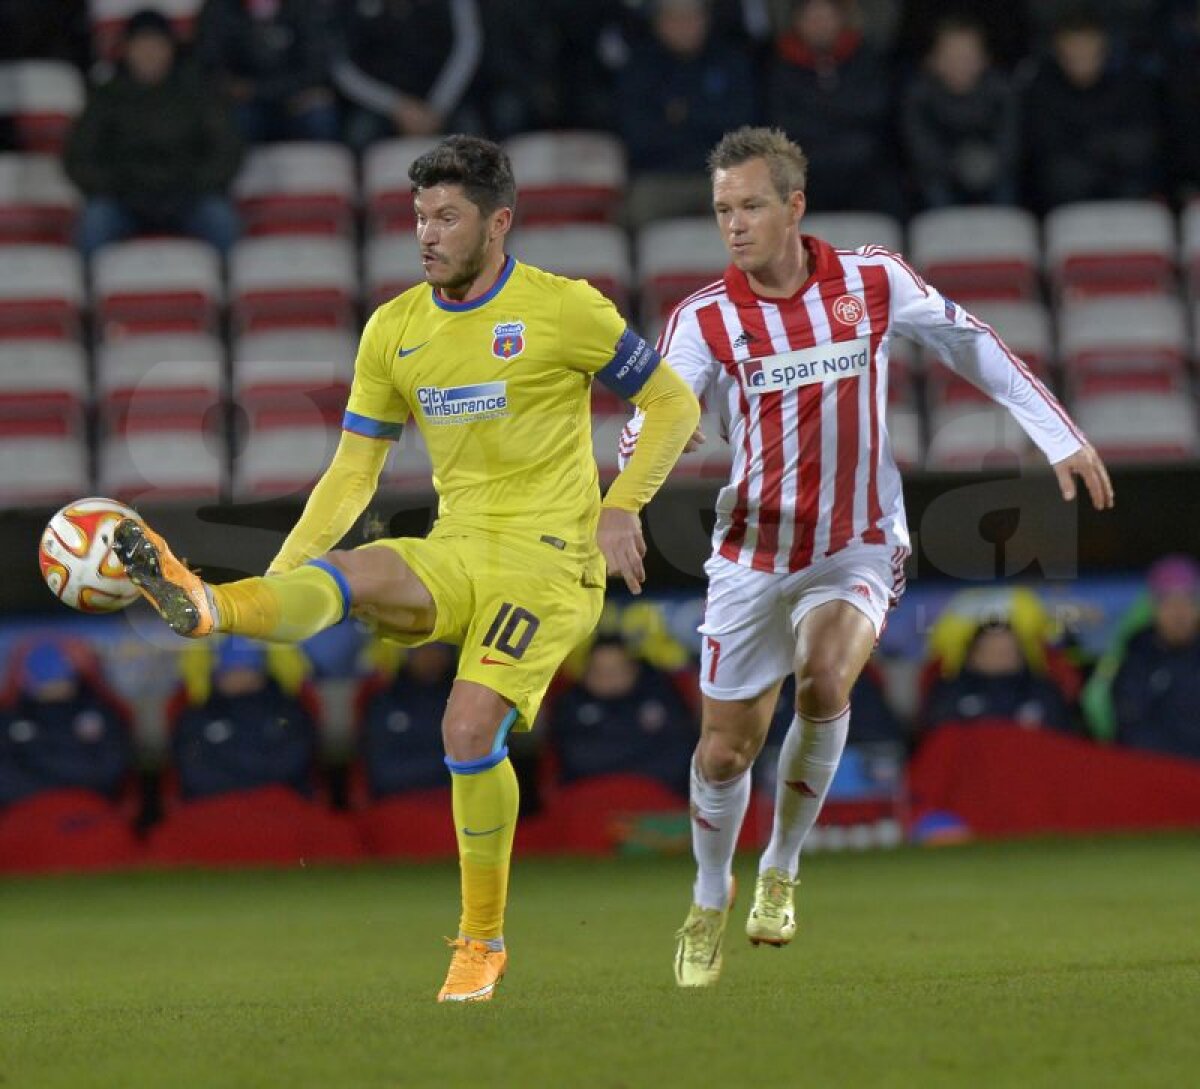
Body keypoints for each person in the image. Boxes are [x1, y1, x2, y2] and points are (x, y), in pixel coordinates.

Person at [112, 135, 700, 1003]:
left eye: (447, 216)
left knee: (466, 729)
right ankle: (212, 606)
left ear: (498, 223)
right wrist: (282, 576)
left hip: (550, 563)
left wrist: (622, 506)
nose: (426, 233)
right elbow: (353, 474)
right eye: (419, 216)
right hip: (459, 545)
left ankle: (481, 942)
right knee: (355, 570)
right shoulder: (394, 329)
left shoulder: (565, 309)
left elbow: (672, 400)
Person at [618, 125, 1113, 987]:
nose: (733, 224)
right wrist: (624, 500)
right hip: (752, 555)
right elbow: (655, 415)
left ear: (794, 206)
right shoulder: (705, 317)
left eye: (751, 206)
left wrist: (1057, 434)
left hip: (858, 541)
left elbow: (972, 342)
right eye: (722, 210)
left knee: (825, 683)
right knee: (724, 753)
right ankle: (709, 893)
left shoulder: (872, 278)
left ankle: (780, 867)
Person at [63, 8, 242, 259]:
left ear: (170, 49)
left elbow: (227, 150)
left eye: (156, 45)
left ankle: (227, 288)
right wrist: (118, 188)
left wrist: (192, 185)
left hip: (188, 196)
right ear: (126, 49)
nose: (149, 54)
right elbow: (79, 157)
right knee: (95, 221)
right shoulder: (105, 97)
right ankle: (88, 291)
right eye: (141, 45)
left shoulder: (198, 92)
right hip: (123, 199)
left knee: (219, 217)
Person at [616, 0, 757, 226]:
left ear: (706, 20)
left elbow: (741, 126)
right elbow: (639, 136)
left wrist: (684, 115)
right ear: (659, 23)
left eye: (692, 18)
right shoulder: (639, 68)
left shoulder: (729, 61)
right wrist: (706, 121)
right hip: (660, 177)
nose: (684, 26)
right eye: (675, 19)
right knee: (636, 210)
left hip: (719, 176)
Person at [766, 0, 902, 216]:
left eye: (827, 18)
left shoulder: (866, 58)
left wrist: (819, 109)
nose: (820, 25)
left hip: (863, 167)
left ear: (841, 20)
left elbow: (875, 110)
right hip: (809, 170)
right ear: (797, 23)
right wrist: (840, 111)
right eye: (813, 19)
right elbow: (786, 124)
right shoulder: (781, 67)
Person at [1023, 11, 1163, 211]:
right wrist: (1105, 149)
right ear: (1059, 52)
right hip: (1066, 196)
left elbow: (1142, 144)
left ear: (1103, 49)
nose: (1081, 56)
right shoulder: (1042, 88)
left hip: (1125, 190)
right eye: (1073, 51)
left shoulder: (1130, 83)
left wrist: (1090, 147)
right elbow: (1046, 151)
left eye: (1088, 50)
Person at [169, 636, 323, 802]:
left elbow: (295, 765)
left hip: (278, 808)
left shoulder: (288, 713)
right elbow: (195, 773)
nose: (240, 676)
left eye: (248, 669)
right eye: (231, 670)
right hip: (216, 811)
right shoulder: (196, 718)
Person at [549, 633, 698, 797]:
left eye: (615, 671)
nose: (607, 679)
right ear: (585, 673)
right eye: (599, 672)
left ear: (633, 669)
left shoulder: (660, 695)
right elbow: (575, 759)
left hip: (656, 797)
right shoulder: (570, 703)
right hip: (590, 800)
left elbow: (679, 755)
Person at [1084, 554, 1200, 760]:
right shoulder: (1136, 659)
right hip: (1156, 776)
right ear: (1154, 609)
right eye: (1169, 603)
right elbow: (1130, 730)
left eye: (1188, 602)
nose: (1179, 613)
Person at [332, 0, 483, 151]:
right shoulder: (352, 6)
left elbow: (467, 48)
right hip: (380, 105)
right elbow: (341, 66)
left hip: (445, 100)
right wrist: (397, 106)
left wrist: (437, 107)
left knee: (474, 137)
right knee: (359, 135)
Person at [901, 17, 1019, 209]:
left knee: (1007, 183)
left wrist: (986, 166)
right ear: (932, 60)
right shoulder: (918, 96)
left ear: (984, 59)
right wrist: (957, 167)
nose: (959, 65)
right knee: (929, 184)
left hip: (994, 174)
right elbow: (920, 148)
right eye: (950, 57)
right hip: (939, 176)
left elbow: (1010, 144)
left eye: (967, 57)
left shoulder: (1002, 92)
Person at [0, 639, 134, 808]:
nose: (54, 686)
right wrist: (49, 796)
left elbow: (111, 769)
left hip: (90, 811)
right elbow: (5, 778)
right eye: (46, 680)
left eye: (59, 678)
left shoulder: (100, 713)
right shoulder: (10, 719)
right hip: (27, 813)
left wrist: (68, 794)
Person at [194, 0, 339, 144]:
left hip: (295, 98)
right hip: (245, 103)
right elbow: (212, 62)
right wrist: (230, 86)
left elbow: (316, 66)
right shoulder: (221, 8)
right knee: (228, 118)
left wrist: (258, 89)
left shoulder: (303, 6)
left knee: (319, 115)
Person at [920, 621, 1074, 734]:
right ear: (973, 655)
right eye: (992, 650)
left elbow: (1062, 740)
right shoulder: (950, 693)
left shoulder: (1044, 692)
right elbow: (936, 743)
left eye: (1008, 651)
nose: (1001, 657)